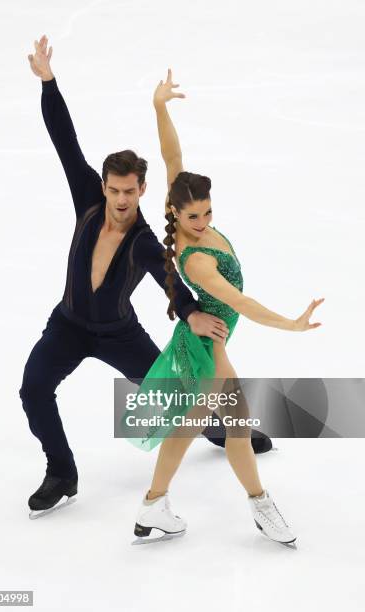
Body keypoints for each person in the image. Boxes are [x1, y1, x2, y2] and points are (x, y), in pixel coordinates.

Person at [20, 36, 272, 520]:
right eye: (113, 189)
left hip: (118, 332)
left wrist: (195, 315)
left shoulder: (142, 239)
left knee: (176, 397)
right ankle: (62, 472)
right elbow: (63, 139)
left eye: (128, 191)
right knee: (32, 389)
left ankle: (220, 432)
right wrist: (49, 82)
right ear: (104, 187)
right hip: (68, 325)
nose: (119, 199)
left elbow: (169, 280)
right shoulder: (89, 200)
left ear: (142, 189)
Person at [130, 70, 325, 546]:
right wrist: (291, 324)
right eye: (193, 216)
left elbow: (171, 155)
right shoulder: (196, 260)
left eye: (208, 212)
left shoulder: (184, 197)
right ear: (174, 212)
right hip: (207, 344)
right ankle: (260, 506)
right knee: (235, 426)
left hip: (207, 337)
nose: (202, 221)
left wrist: (160, 108)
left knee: (191, 426)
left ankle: (153, 506)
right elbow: (240, 303)